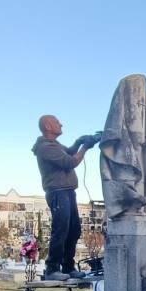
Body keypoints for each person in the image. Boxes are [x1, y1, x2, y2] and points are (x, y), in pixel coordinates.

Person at [32, 114, 97, 281]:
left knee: (74, 229)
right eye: (56, 122)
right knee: (61, 229)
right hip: (58, 192)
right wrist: (85, 148)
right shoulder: (45, 147)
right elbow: (70, 161)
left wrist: (78, 142)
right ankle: (52, 269)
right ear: (47, 126)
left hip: (67, 191)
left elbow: (68, 152)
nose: (61, 124)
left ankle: (68, 266)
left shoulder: (54, 145)